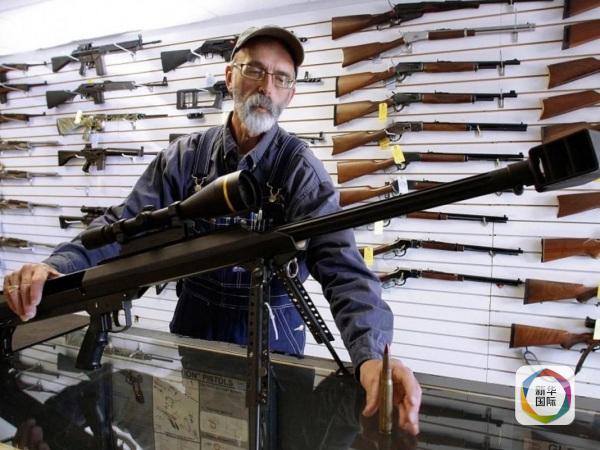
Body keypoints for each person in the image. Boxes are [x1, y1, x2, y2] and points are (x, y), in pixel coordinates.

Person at [3, 25, 421, 434]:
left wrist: (371, 358)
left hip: (274, 347)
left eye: (281, 78)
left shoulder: (301, 171)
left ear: (291, 93)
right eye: (254, 70)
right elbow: (121, 228)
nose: (266, 87)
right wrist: (58, 267)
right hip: (195, 339)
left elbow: (343, 269)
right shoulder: (184, 157)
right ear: (230, 76)